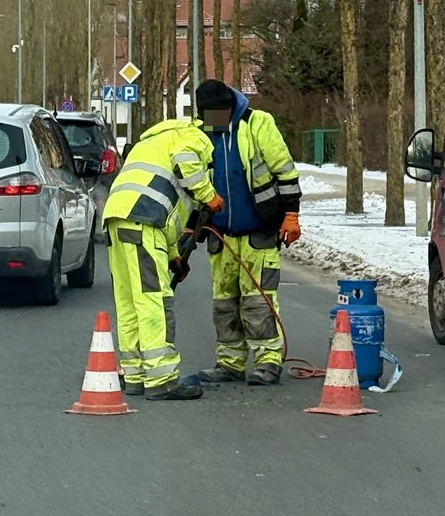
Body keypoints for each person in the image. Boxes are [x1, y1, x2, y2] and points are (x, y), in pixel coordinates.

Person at [103, 117, 224, 401]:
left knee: (130, 300)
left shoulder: (152, 141)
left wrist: (173, 256)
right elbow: (186, 162)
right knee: (154, 300)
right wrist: (209, 196)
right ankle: (161, 379)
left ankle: (136, 375)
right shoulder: (193, 134)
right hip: (143, 219)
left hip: (118, 218)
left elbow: (167, 212)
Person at [192, 79, 302, 387]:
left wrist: (291, 214)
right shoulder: (201, 134)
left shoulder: (257, 124)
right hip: (221, 234)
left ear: (229, 106)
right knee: (224, 302)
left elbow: (285, 171)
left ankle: (268, 360)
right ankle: (230, 362)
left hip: (259, 229)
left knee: (258, 299)